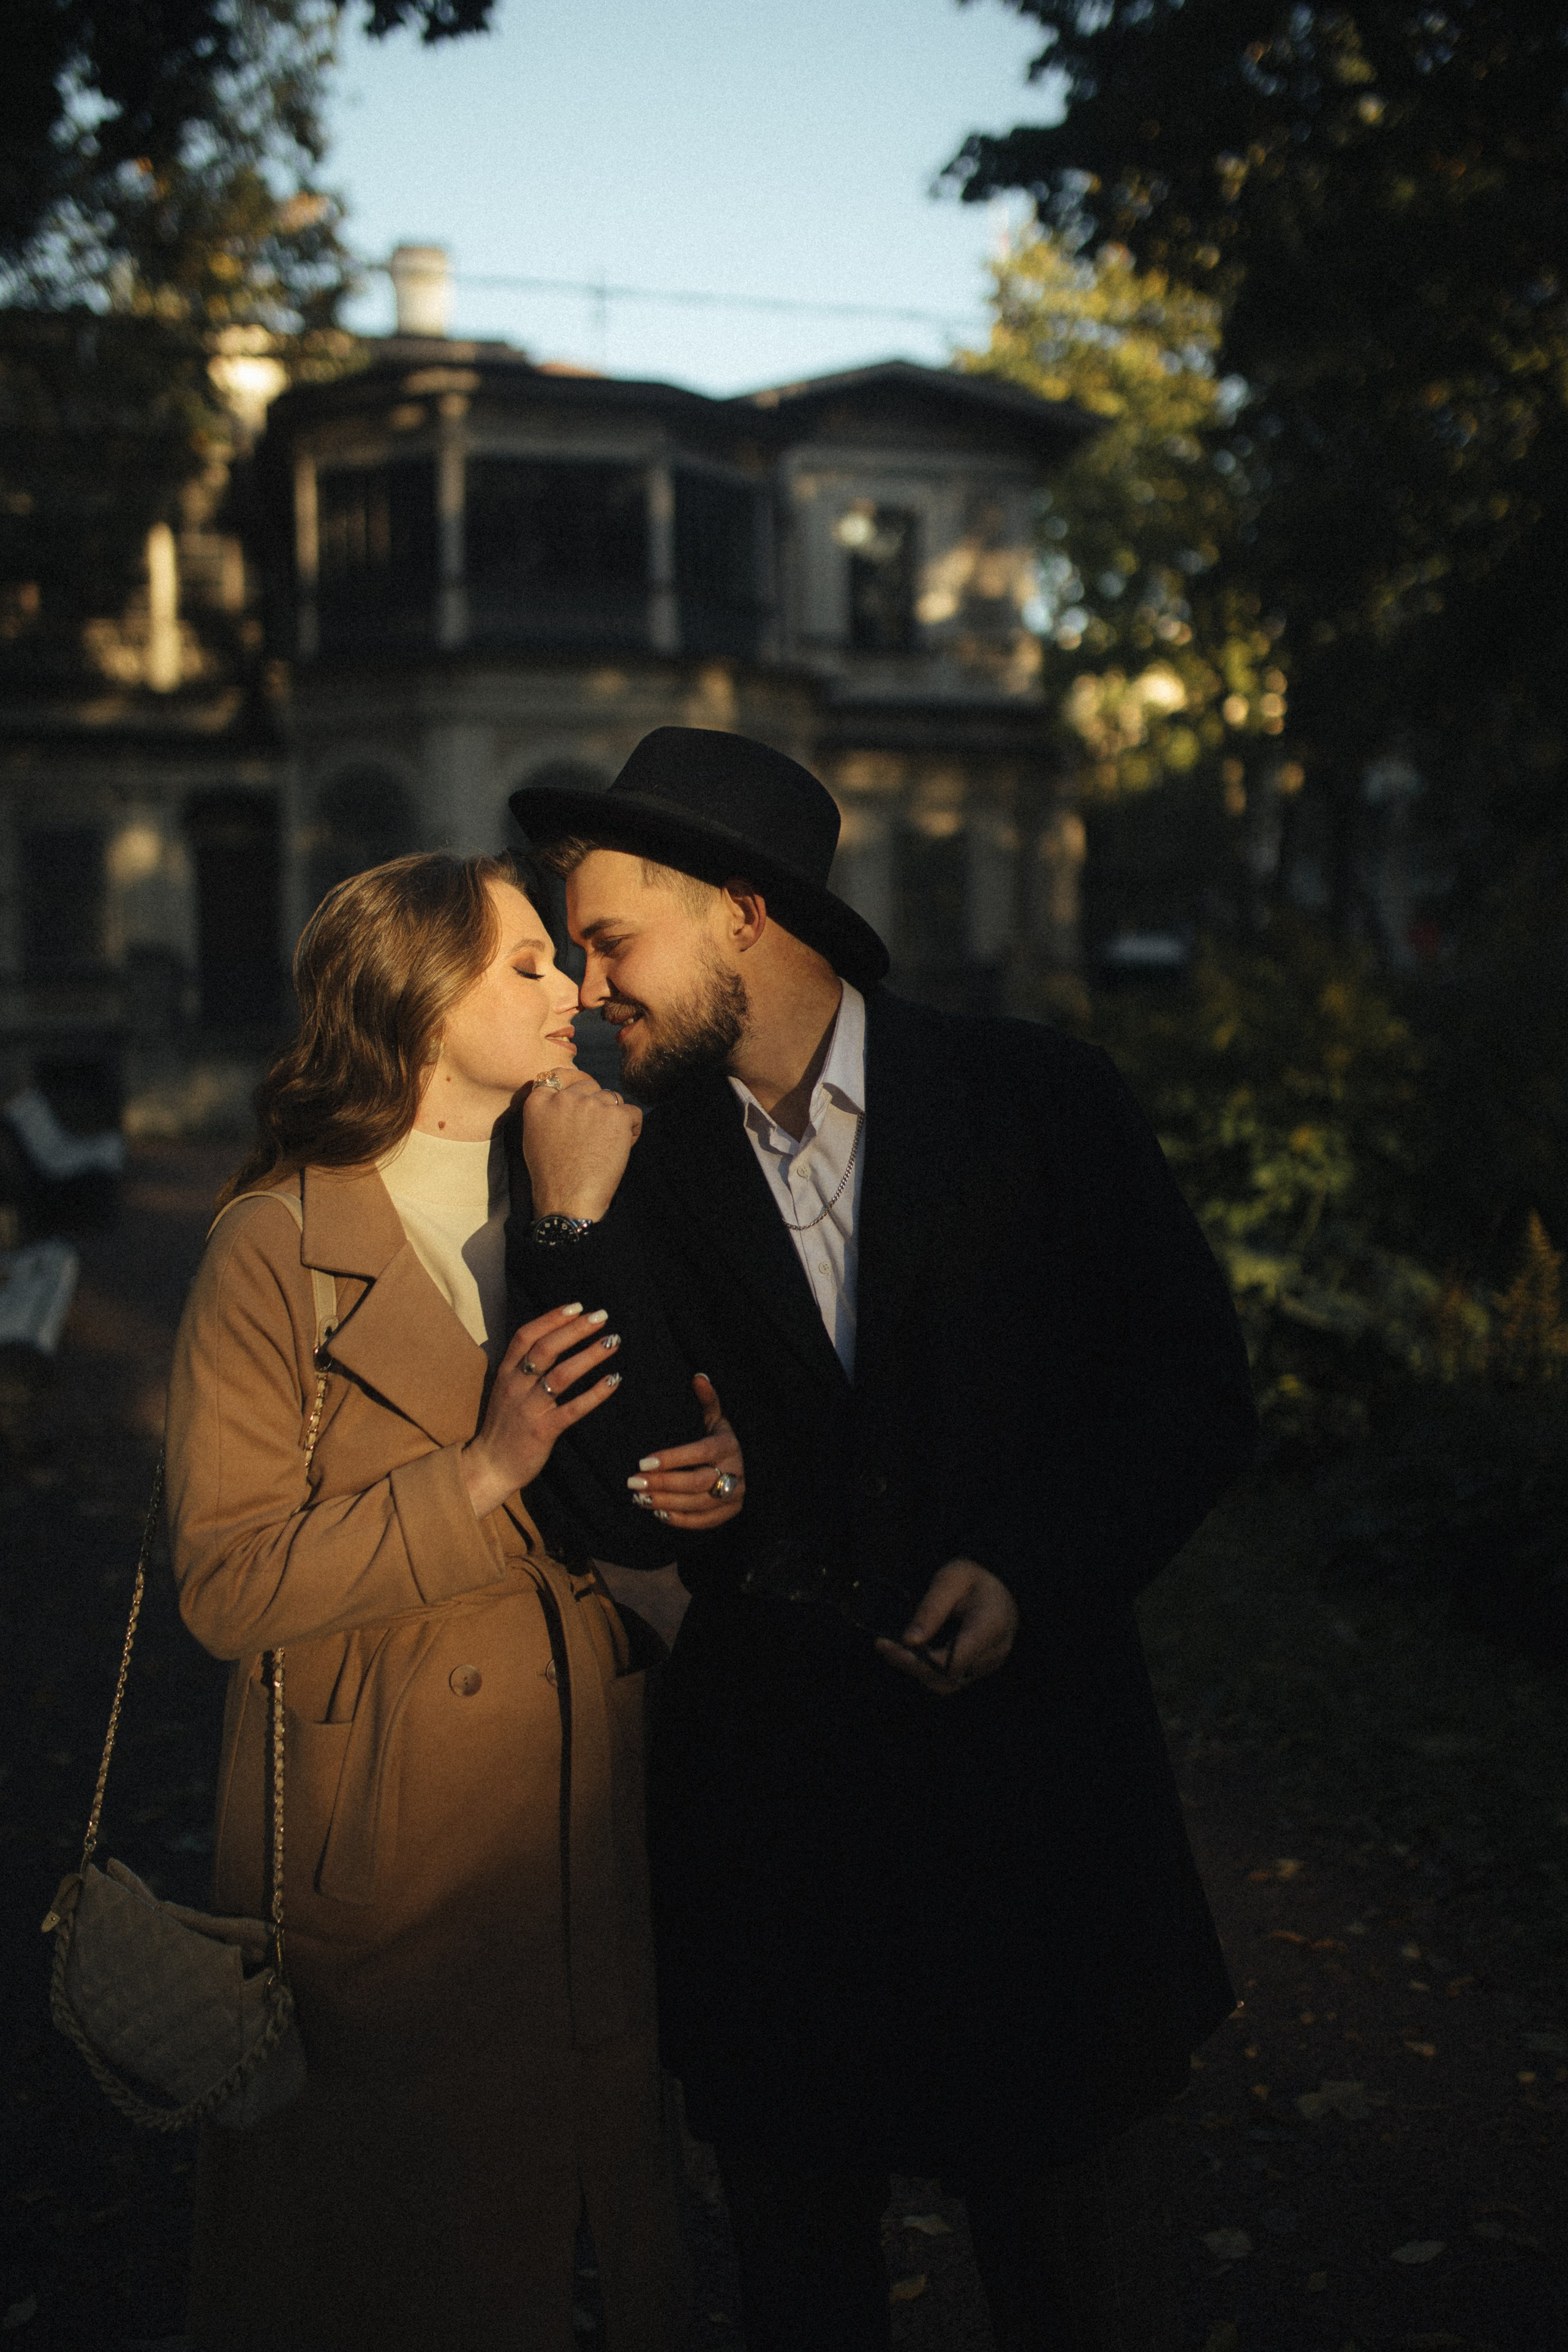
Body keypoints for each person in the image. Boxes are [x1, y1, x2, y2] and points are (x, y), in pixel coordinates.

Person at [506, 729, 1260, 2352]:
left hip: (1042, 1837)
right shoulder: (607, 1155)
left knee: (1088, 2298)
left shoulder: (1042, 1100)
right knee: (804, 2301)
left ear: (746, 914)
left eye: (611, 941)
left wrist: (1030, 1565)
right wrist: (569, 1245)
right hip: (780, 1862)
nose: (587, 985)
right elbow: (585, 1483)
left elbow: (1192, 1396)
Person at [164, 850, 742, 2352]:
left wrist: (720, 1474)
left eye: (567, 960)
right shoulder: (275, 1246)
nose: (575, 990)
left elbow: (644, 1463)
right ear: (420, 1001)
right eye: (527, 966)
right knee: (399, 2253)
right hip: (387, 1843)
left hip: (583, 1802)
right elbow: (224, 1587)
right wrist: (478, 1474)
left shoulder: (578, 1199)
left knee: (586, 2236)